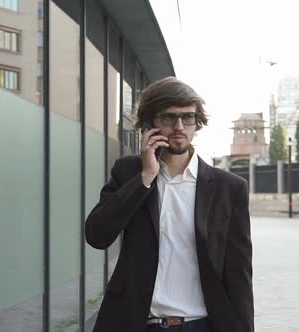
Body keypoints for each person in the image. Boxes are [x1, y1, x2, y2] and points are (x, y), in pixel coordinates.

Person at [85, 77, 254, 332]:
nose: (179, 126)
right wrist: (145, 178)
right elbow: (97, 235)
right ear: (151, 122)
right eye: (169, 117)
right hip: (137, 324)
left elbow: (239, 275)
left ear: (197, 123)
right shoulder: (129, 172)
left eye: (188, 118)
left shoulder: (229, 188)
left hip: (201, 325)